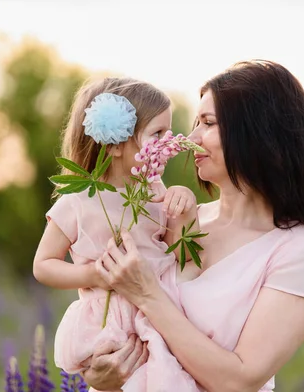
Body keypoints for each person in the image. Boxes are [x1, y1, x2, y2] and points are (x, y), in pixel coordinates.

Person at [84, 60, 304, 392]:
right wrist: (98, 371)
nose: (191, 138)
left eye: (208, 123)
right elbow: (116, 321)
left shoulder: (299, 251)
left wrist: (147, 293)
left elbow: (240, 380)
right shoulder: (168, 216)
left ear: (257, 132)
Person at [33, 77, 202, 390]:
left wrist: (185, 208)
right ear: (114, 143)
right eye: (158, 134)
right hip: (109, 325)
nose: (169, 143)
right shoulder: (78, 200)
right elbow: (43, 265)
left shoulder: (154, 191)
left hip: (160, 314)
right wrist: (95, 275)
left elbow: (184, 259)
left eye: (169, 132)